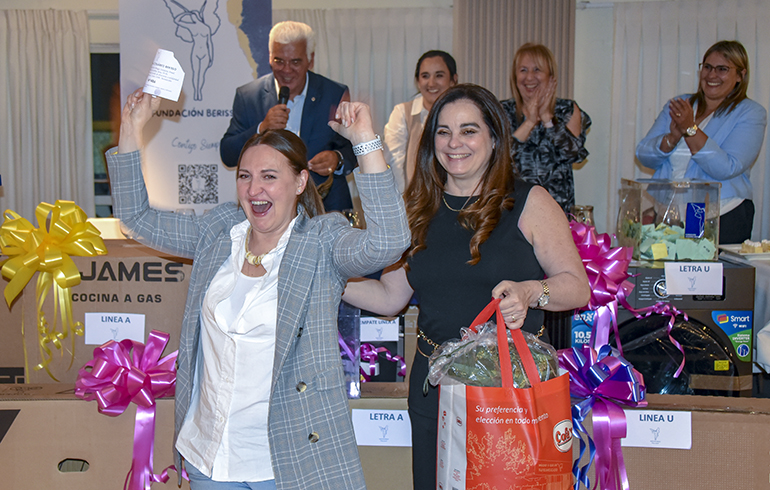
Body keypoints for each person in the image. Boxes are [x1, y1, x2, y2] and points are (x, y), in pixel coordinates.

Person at [108, 89, 409, 489]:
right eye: (245, 176)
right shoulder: (220, 233)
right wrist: (132, 127)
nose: (254, 190)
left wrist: (365, 141)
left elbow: (389, 242)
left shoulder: (321, 243)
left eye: (269, 176)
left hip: (286, 463)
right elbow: (136, 218)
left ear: (300, 181)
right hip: (209, 458)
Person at [342, 84, 590, 489]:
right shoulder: (416, 207)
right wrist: (328, 279)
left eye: (468, 131)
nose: (454, 143)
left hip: (510, 392)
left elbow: (577, 288)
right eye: (443, 132)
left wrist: (531, 292)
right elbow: (390, 297)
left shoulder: (530, 202)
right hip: (434, 388)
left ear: (494, 138)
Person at [636, 40, 767, 244]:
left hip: (721, 215)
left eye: (722, 69)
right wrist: (672, 138)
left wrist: (690, 130)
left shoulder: (750, 113)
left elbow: (727, 167)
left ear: (740, 76)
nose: (712, 75)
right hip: (669, 215)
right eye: (707, 67)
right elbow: (644, 155)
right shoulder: (681, 104)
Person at [220, 21, 356, 212]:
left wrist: (337, 159)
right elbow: (228, 154)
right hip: (267, 208)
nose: (286, 69)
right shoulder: (248, 96)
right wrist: (261, 128)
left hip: (326, 207)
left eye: (295, 62)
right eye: (279, 61)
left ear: (310, 60)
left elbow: (353, 148)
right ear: (269, 57)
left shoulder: (334, 93)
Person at [501, 43, 591, 214]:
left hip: (557, 210)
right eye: (523, 70)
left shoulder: (567, 109)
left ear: (550, 76)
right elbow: (499, 158)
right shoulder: (502, 111)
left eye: (537, 70)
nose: (529, 77)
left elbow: (573, 154)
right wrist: (529, 122)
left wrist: (548, 119)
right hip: (513, 208)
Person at [383, 50, 458, 193]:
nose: (431, 83)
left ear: (453, 80)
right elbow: (394, 164)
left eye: (439, 75)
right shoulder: (403, 113)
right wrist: (402, 202)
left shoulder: (463, 115)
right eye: (425, 76)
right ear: (418, 81)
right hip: (415, 200)